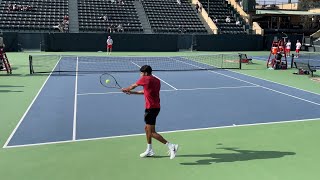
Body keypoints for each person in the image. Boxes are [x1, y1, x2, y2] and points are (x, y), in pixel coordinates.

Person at [121, 65, 179, 159]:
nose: (140, 75)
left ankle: (171, 146)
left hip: (150, 109)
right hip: (156, 107)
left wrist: (126, 89)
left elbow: (133, 86)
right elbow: (145, 92)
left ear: (146, 73)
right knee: (147, 129)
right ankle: (149, 150)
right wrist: (132, 93)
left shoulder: (145, 79)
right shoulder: (157, 80)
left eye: (141, 73)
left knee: (151, 132)